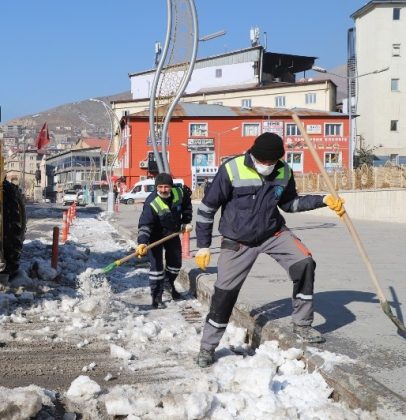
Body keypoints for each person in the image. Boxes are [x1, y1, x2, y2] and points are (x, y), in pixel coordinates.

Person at [193, 132, 346, 368]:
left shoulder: (284, 171)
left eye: (270, 163)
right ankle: (207, 348)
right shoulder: (232, 169)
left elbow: (289, 204)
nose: (265, 166)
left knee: (304, 262)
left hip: (272, 233)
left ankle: (302, 324)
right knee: (224, 293)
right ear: (253, 154)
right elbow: (207, 208)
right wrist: (203, 245)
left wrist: (322, 200)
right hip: (238, 240)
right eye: (261, 161)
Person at [135, 173, 193, 309]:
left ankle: (168, 282)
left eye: (166, 187)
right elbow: (145, 224)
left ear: (171, 187)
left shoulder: (179, 193)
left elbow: (186, 205)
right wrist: (142, 242)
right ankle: (156, 297)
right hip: (154, 236)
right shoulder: (152, 202)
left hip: (172, 233)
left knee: (176, 263)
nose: (163, 190)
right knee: (156, 268)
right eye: (160, 187)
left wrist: (186, 221)